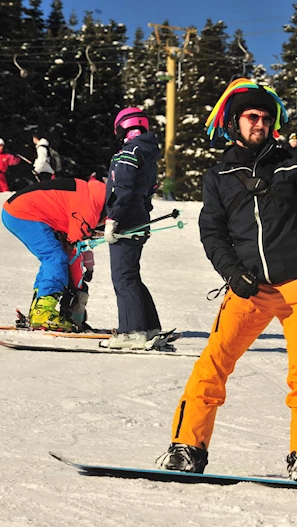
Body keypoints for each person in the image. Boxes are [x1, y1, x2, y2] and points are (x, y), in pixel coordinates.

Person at [156, 78, 297, 483]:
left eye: (265, 117)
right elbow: (213, 231)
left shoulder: (295, 164)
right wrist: (231, 272)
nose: (259, 123)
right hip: (249, 287)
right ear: (235, 121)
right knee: (212, 365)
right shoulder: (220, 174)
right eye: (251, 116)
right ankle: (187, 447)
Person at [1, 178, 106, 331]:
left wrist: (86, 270)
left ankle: (37, 309)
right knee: (55, 257)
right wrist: (78, 291)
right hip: (22, 213)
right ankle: (42, 313)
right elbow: (74, 254)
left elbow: (79, 247)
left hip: (18, 210)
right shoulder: (89, 210)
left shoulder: (94, 197)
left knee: (54, 257)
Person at [101, 107, 165, 350]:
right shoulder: (148, 153)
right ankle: (148, 326)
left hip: (126, 220)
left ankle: (132, 331)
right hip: (140, 218)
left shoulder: (129, 151)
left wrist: (113, 218)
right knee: (131, 274)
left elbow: (122, 188)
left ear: (122, 127)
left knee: (123, 277)